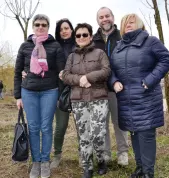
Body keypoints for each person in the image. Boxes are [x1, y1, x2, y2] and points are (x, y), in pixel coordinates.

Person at [110, 14, 169, 178]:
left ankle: (148, 172)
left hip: (146, 98)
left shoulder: (150, 41)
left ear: (139, 24)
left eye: (132, 22)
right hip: (126, 100)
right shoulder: (118, 47)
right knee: (134, 133)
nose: (128, 25)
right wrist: (114, 81)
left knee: (146, 135)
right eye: (125, 23)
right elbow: (111, 70)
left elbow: (166, 59)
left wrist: (150, 80)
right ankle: (140, 168)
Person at [14, 14, 65, 178]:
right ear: (33, 27)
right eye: (37, 24)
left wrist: (59, 94)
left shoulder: (55, 46)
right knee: (34, 128)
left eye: (43, 24)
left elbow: (61, 72)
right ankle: (36, 162)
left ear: (48, 27)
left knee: (46, 127)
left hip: (49, 91)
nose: (40, 27)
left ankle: (45, 161)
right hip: (28, 92)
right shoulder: (24, 46)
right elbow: (17, 72)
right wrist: (17, 96)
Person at [62, 23, 111, 178]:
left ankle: (101, 159)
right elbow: (65, 75)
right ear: (75, 38)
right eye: (78, 35)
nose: (81, 37)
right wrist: (80, 79)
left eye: (85, 34)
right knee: (84, 135)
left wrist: (89, 77)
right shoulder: (71, 57)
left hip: (98, 99)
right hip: (78, 100)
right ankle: (87, 167)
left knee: (98, 134)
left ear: (90, 36)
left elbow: (106, 70)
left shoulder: (100, 53)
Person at [93, 6, 129, 166]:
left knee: (119, 122)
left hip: (118, 88)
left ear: (113, 17)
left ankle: (123, 153)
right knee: (102, 124)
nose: (104, 19)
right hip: (99, 89)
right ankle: (105, 153)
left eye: (107, 16)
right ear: (98, 21)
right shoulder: (93, 40)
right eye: (101, 17)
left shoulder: (122, 37)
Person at [50, 18, 76, 169]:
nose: (64, 31)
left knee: (81, 127)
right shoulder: (54, 47)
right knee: (61, 126)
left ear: (72, 29)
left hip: (79, 91)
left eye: (67, 28)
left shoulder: (79, 44)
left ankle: (84, 154)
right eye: (61, 29)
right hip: (60, 92)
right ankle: (57, 155)